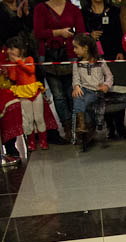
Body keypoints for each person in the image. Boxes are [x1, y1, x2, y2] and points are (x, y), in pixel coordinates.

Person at [33, 0, 85, 143]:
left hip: (71, 55)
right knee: (58, 96)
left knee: (73, 93)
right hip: (50, 58)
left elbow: (81, 32)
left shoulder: (73, 9)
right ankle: (67, 127)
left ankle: (78, 126)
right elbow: (38, 32)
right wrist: (59, 32)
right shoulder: (40, 8)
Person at [82, 0, 126, 140]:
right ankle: (110, 127)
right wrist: (89, 36)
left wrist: (121, 51)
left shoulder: (114, 10)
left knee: (117, 89)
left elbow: (120, 32)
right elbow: (80, 36)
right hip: (95, 57)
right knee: (102, 91)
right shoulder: (84, 13)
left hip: (114, 53)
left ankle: (121, 126)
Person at [6, 36, 48, 150]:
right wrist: (12, 65)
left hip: (34, 91)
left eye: (13, 48)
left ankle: (43, 140)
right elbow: (13, 77)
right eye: (9, 49)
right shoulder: (13, 63)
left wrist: (19, 61)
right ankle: (31, 141)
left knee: (39, 117)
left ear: (21, 50)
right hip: (23, 93)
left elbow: (31, 70)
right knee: (28, 119)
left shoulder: (29, 59)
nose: (10, 51)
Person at [71, 33, 112, 146]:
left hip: (96, 91)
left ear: (85, 48)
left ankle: (89, 125)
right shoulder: (77, 63)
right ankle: (82, 125)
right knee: (77, 97)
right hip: (84, 89)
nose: (74, 50)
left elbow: (109, 76)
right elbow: (75, 78)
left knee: (85, 102)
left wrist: (106, 85)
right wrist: (76, 86)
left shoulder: (100, 62)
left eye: (76, 47)